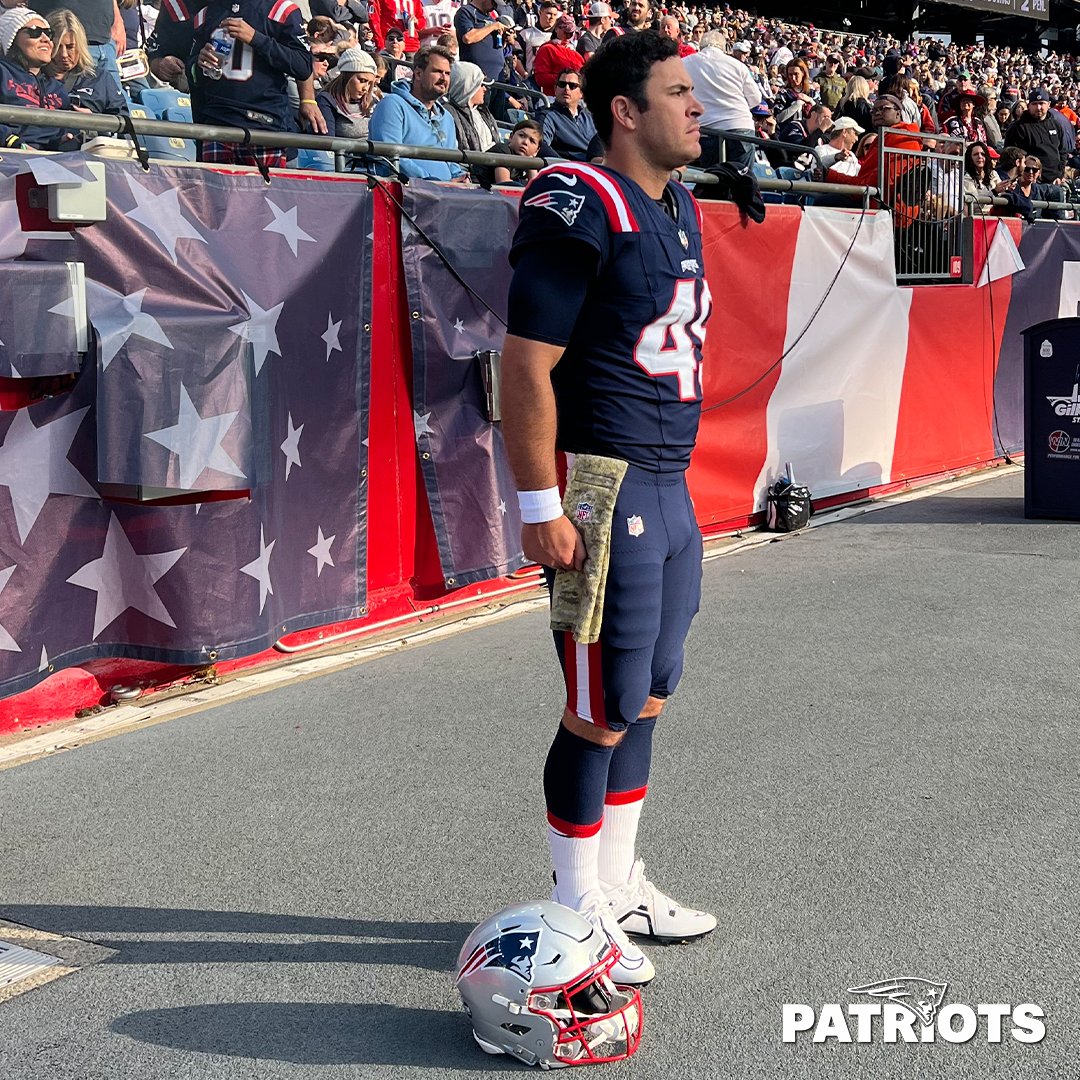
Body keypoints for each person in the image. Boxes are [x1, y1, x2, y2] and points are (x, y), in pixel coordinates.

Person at [501, 30, 716, 989]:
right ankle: (571, 903)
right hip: (607, 485)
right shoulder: (580, 197)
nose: (697, 107)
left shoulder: (680, 208)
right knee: (597, 708)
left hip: (672, 484)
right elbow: (525, 364)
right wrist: (539, 502)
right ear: (624, 111)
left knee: (648, 693)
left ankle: (619, 881)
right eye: (679, 92)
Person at [147, 0, 313, 168]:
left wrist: (256, 38)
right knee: (216, 193)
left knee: (265, 193)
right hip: (216, 125)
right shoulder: (204, 14)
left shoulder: (281, 9)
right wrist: (199, 63)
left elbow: (303, 66)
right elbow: (191, 73)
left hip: (264, 125)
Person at [368, 42, 465, 178]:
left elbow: (452, 163)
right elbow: (390, 157)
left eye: (447, 73)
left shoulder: (447, 117)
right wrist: (432, 182)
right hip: (409, 193)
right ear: (418, 73)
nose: (444, 78)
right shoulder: (392, 105)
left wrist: (460, 177)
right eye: (437, 71)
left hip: (447, 193)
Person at [0, 5, 80, 149]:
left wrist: (65, 139)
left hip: (50, 162)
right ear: (12, 40)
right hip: (8, 159)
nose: (45, 39)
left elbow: (63, 132)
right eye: (35, 32)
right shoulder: (2, 72)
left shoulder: (55, 87)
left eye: (48, 33)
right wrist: (11, 141)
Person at [683, 30, 760, 169]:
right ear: (723, 48)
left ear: (701, 46)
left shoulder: (685, 63)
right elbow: (756, 99)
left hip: (707, 130)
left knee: (713, 183)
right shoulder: (738, 65)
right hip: (740, 127)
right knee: (742, 182)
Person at [22, 0, 124, 92]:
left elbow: (119, 110)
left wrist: (117, 19)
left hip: (105, 36)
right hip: (64, 32)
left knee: (119, 105)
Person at [45, 6, 126, 113]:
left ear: (80, 45)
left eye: (70, 47)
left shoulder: (100, 79)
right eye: (57, 46)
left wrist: (94, 121)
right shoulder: (33, 79)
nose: (64, 54)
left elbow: (123, 121)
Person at [315, 44, 379, 165]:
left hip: (374, 165)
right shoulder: (326, 101)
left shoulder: (373, 102)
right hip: (343, 167)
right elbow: (327, 145)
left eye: (370, 83)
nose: (366, 88)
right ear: (347, 77)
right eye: (362, 80)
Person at [1004, 88, 1064, 183]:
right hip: (1031, 181)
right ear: (1029, 106)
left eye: (1041, 103)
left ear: (1048, 104)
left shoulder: (1055, 125)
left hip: (1055, 180)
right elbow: (1011, 156)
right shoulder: (1019, 127)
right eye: (1034, 104)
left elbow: (1062, 151)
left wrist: (1060, 175)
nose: (1038, 107)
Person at [538, 65, 595, 160]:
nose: (567, 88)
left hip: (596, 167)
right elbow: (540, 144)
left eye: (572, 86)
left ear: (581, 93)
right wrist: (565, 165)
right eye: (562, 84)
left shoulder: (590, 118)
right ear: (555, 89)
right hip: (570, 170)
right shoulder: (547, 116)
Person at [445, 58, 498, 154]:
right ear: (469, 87)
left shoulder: (484, 112)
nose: (485, 89)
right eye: (481, 85)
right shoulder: (448, 113)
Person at [453, 0, 506, 84]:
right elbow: (468, 38)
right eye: (493, 3)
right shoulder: (466, 12)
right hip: (478, 78)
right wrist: (492, 27)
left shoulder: (491, 18)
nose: (494, 8)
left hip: (498, 77)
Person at [532, 11, 580, 97]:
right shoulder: (547, 49)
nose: (568, 35)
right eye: (566, 32)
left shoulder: (575, 52)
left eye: (571, 33)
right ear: (557, 29)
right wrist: (566, 79)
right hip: (553, 98)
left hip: (575, 98)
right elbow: (541, 78)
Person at [490, 114, 540, 185]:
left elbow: (536, 190)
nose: (525, 142)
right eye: (522, 136)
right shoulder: (503, 150)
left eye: (532, 141)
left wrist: (532, 167)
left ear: (536, 151)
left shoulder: (524, 161)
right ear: (511, 137)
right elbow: (504, 184)